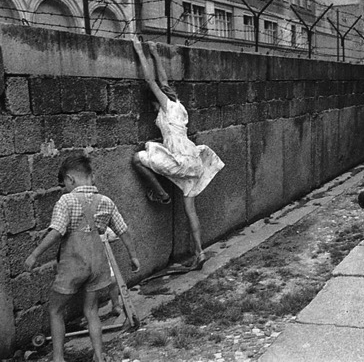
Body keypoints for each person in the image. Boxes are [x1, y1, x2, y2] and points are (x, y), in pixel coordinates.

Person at [24, 155, 140, 362]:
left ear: (70, 179)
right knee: (92, 310)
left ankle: (58, 358)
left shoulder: (66, 201)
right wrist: (133, 256)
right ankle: (98, 355)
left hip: (74, 264)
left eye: (65, 185)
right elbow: (124, 231)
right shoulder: (106, 201)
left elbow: (57, 231)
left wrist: (35, 254)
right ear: (91, 177)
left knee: (56, 310)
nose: (65, 189)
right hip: (98, 264)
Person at [132, 38, 225, 270]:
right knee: (189, 209)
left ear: (158, 101)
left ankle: (161, 194)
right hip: (193, 161)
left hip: (179, 161)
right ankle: (199, 252)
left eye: (153, 105)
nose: (154, 109)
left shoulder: (165, 106)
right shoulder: (179, 106)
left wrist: (138, 51)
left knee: (139, 158)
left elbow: (151, 80)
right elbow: (163, 80)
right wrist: (154, 51)